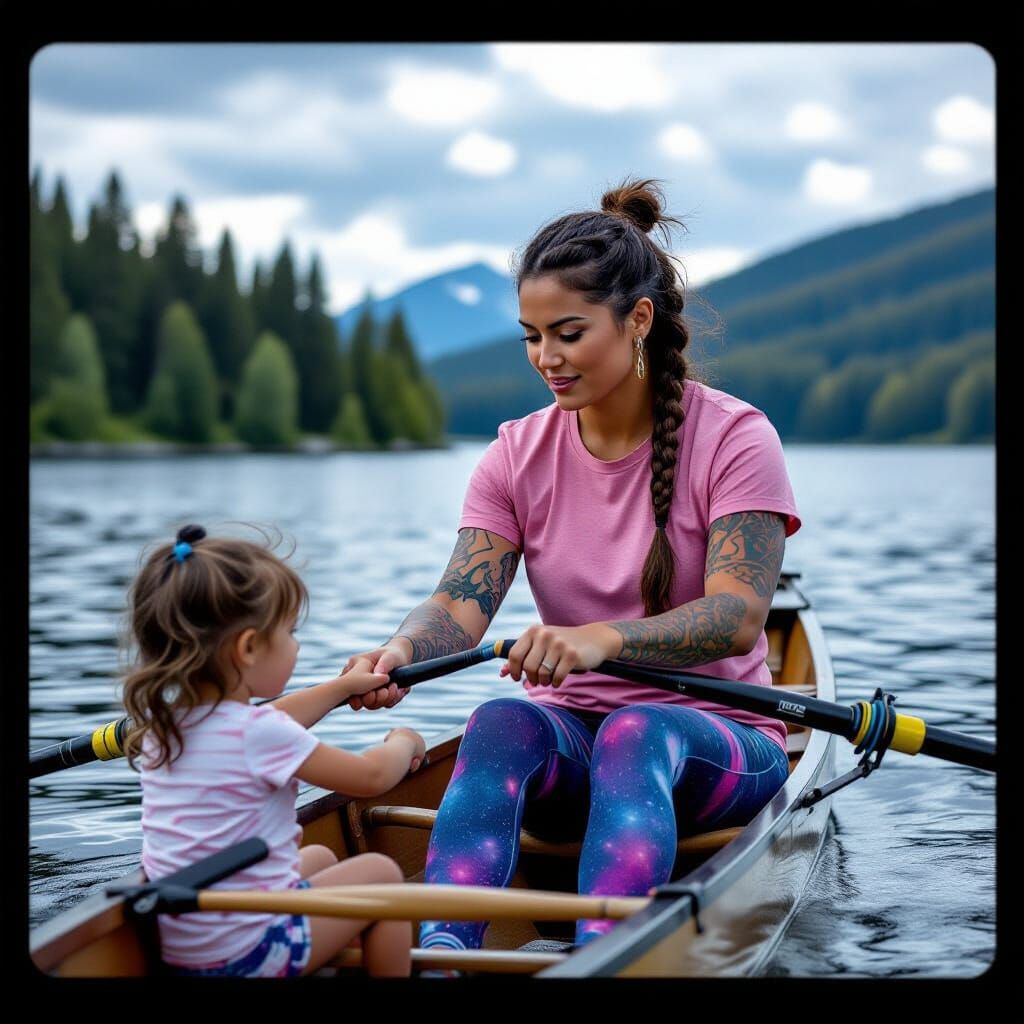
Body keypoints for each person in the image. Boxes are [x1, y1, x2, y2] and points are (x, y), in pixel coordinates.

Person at [340, 177, 801, 964]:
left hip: (726, 740)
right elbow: (460, 601)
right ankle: (447, 951)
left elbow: (738, 615)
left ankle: (604, 955)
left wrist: (601, 640)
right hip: (577, 743)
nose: (545, 359)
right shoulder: (514, 453)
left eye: (568, 333)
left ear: (639, 321)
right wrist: (398, 656)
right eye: (529, 336)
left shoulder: (736, 439)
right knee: (497, 721)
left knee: (636, 729)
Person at [121, 523, 428, 978]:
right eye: (288, 631)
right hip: (248, 951)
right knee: (380, 874)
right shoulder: (258, 733)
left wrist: (339, 688)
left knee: (321, 859)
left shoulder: (162, 728)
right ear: (247, 648)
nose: (296, 644)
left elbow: (265, 722)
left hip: (187, 944)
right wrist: (402, 742)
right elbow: (371, 778)